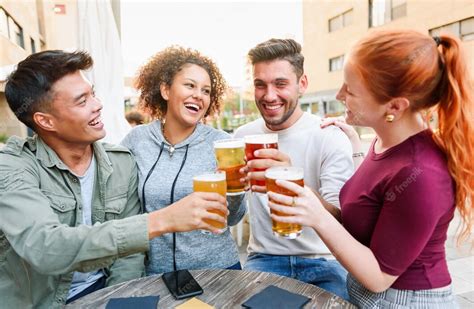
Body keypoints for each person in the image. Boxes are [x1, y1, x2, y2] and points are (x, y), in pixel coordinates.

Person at [0, 50, 228, 308]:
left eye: (92, 93)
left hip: (106, 292)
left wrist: (116, 300)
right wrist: (163, 219)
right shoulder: (12, 166)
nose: (98, 104)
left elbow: (128, 257)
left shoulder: (120, 162)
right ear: (45, 121)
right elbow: (46, 248)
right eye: (82, 101)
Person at [267, 30, 473, 307]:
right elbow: (362, 223)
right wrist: (304, 194)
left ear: (394, 107)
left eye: (350, 90)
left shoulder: (420, 173)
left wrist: (318, 218)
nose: (340, 95)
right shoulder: (384, 142)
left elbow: (379, 276)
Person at [233, 38, 353, 299]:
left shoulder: (328, 136)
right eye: (260, 85)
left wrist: (294, 182)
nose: (269, 95)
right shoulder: (241, 137)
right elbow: (231, 212)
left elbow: (342, 219)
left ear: (302, 84)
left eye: (280, 83)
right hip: (265, 259)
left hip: (324, 261)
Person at [121, 46, 246, 275]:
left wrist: (235, 189)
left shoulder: (222, 144)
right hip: (157, 275)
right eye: (190, 85)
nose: (199, 95)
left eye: (206, 90)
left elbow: (234, 218)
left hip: (219, 270)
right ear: (166, 90)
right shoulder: (136, 141)